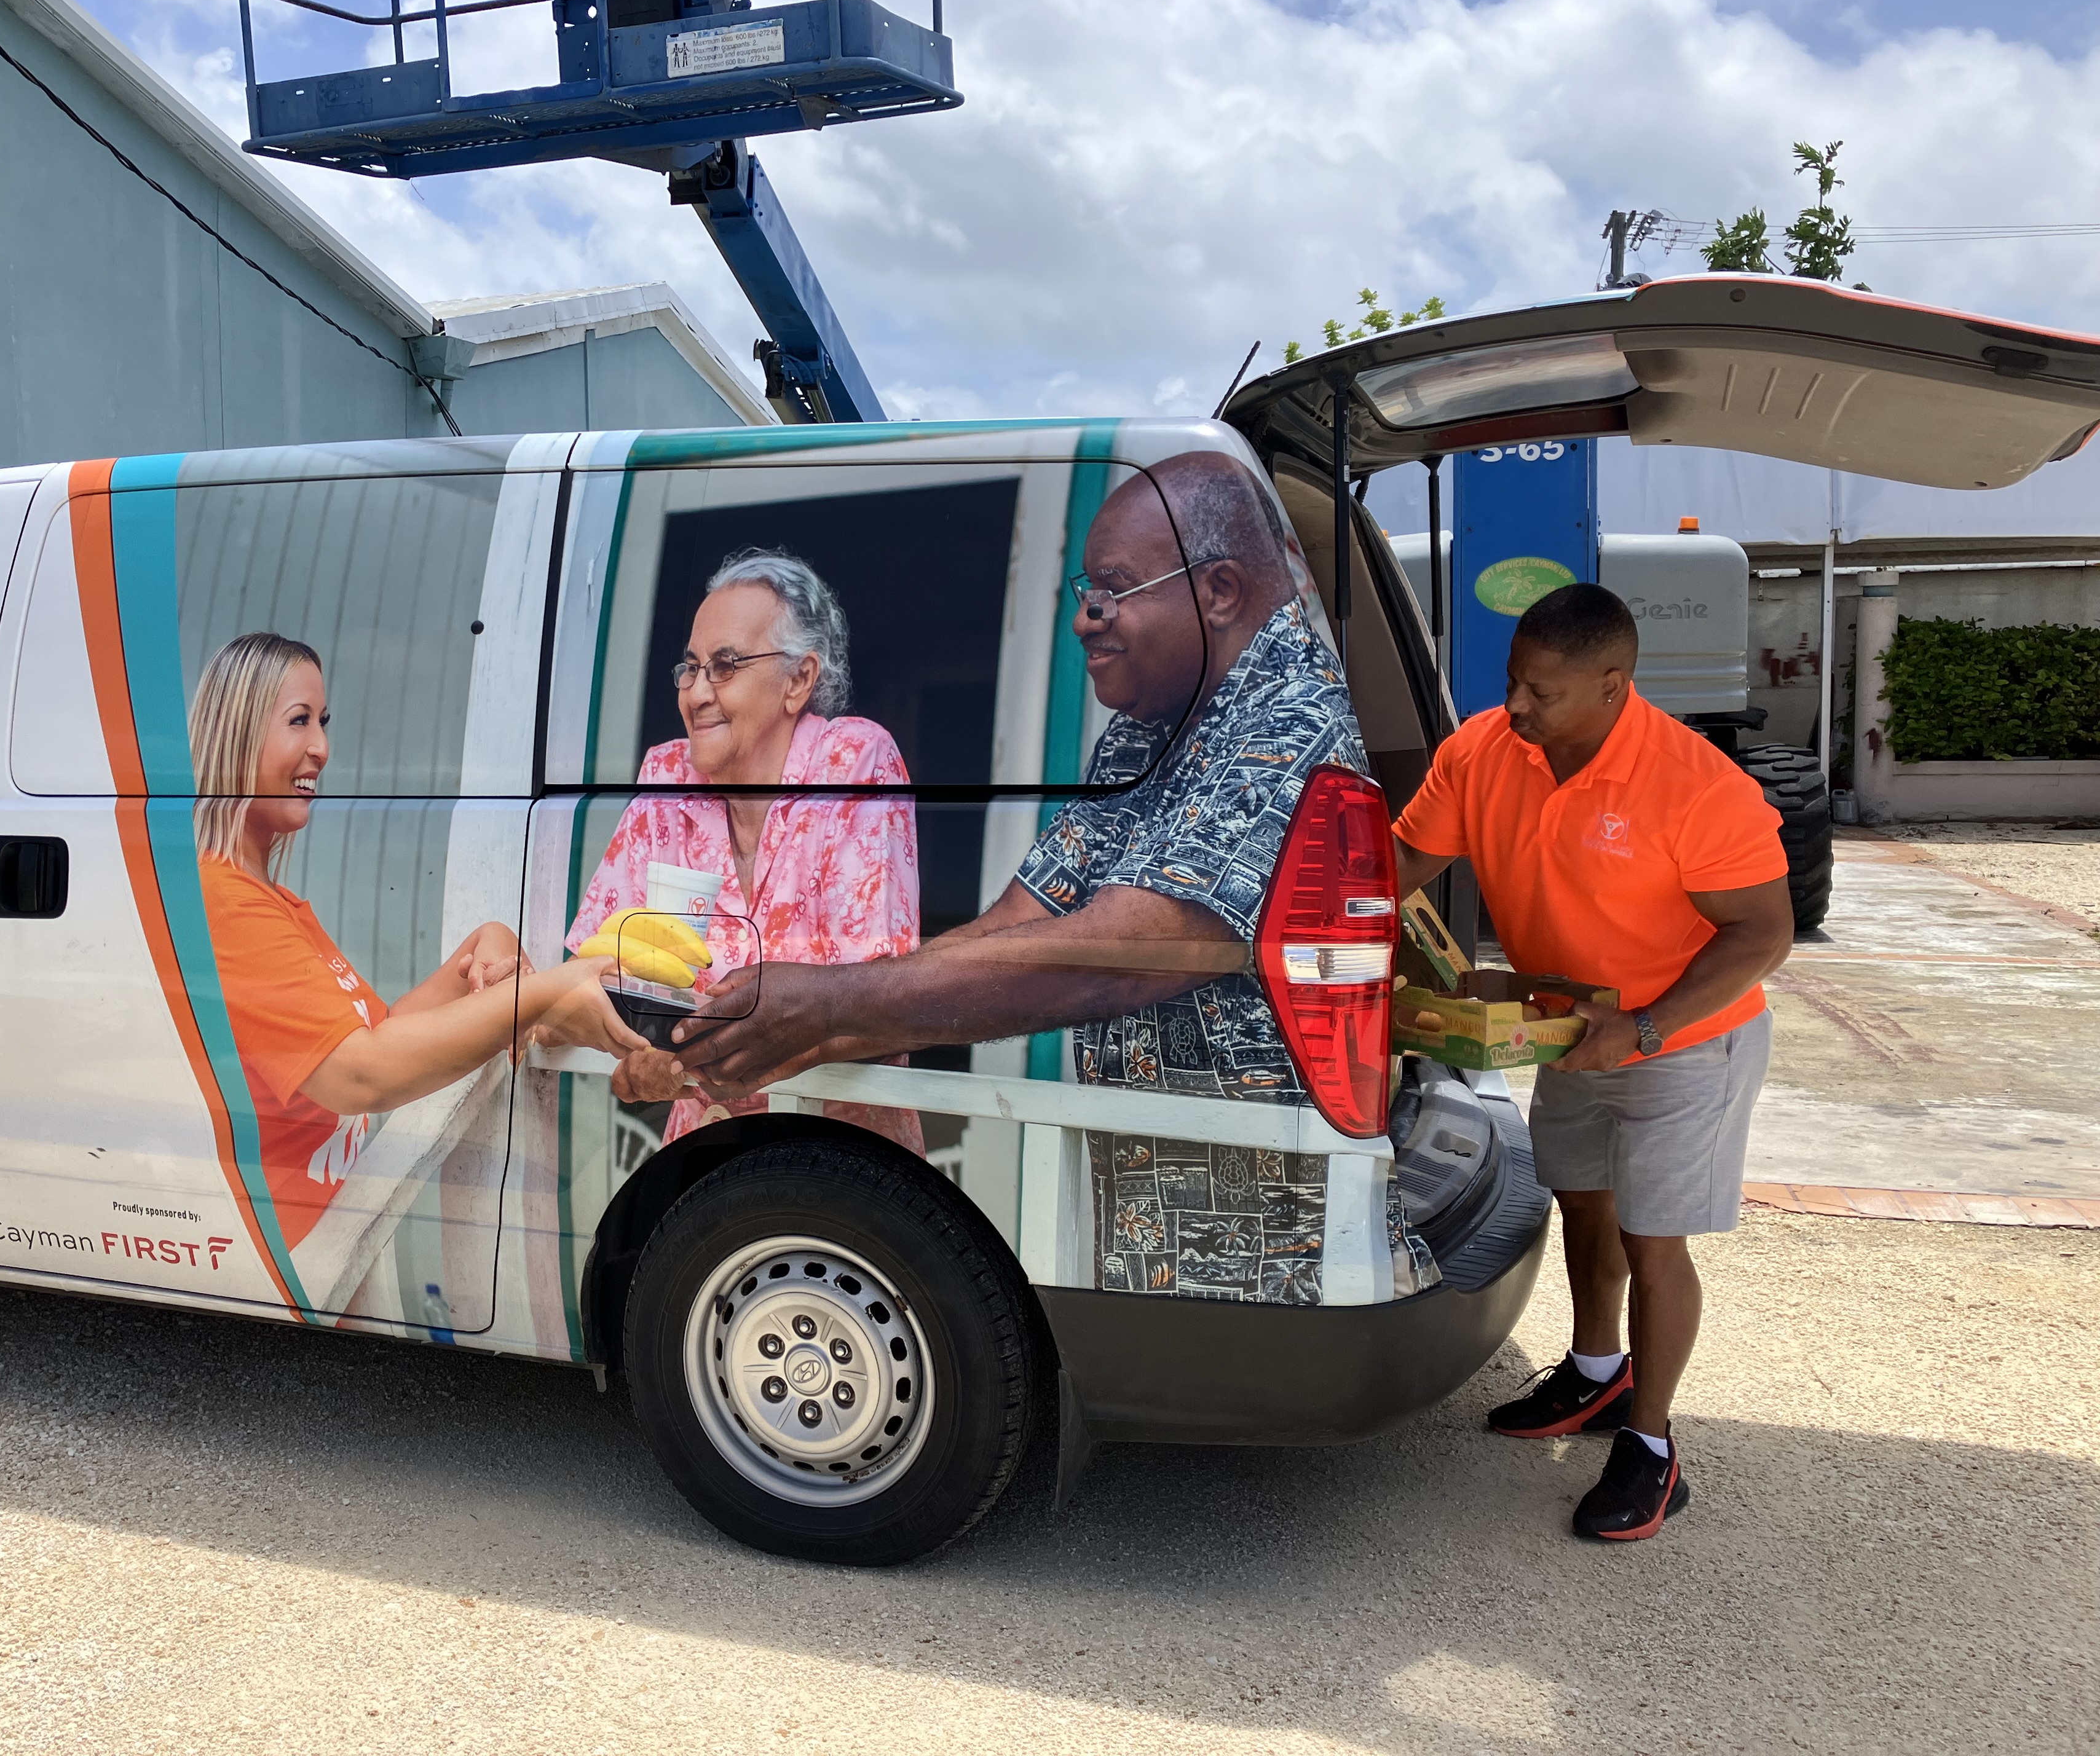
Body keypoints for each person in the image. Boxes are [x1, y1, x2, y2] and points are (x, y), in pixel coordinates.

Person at [673, 453, 1410, 1301]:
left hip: (1267, 1248)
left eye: (1113, 589)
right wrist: (795, 1034)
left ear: (1219, 592)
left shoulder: (1288, 713)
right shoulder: (1153, 724)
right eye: (1081, 591)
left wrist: (833, 1002)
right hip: (1157, 1227)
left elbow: (1132, 947)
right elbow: (1017, 923)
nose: (1085, 619)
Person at [1391, 583, 1792, 1543]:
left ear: (1615, 685)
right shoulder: (1484, 752)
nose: (1517, 707)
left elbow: (1762, 934)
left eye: (1544, 691)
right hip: (1569, 1033)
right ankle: (1596, 1370)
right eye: (1513, 682)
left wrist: (1647, 1027)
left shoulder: (1695, 786)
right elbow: (1399, 863)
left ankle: (1651, 1448)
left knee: (1655, 1242)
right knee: (1584, 1202)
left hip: (1685, 1042)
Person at [189, 632, 641, 1249]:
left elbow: (378, 1028)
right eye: (299, 721)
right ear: (239, 734)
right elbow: (360, 1076)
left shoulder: (276, 906)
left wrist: (484, 944)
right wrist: (546, 991)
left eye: (323, 722)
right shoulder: (227, 905)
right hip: (296, 1266)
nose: (322, 748)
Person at [568, 549, 922, 1151]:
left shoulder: (854, 763)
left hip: (845, 1166)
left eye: (725, 666)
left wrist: (683, 1054)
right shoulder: (668, 775)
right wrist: (634, 1046)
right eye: (690, 667)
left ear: (799, 680)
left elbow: (879, 1001)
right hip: (706, 1166)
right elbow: (594, 969)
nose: (698, 692)